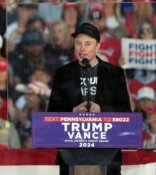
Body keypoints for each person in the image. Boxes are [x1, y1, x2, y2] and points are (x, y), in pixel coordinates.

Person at [47, 23, 131, 175]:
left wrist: (102, 110)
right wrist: (72, 111)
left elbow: (126, 113)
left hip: (106, 153)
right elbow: (52, 113)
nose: (82, 49)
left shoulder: (114, 73)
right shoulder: (62, 73)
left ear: (98, 46)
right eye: (78, 43)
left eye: (87, 44)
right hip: (71, 154)